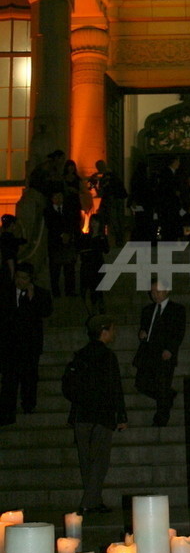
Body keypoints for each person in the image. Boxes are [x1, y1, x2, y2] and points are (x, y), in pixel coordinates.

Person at [63, 314, 127, 515]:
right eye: (111, 329)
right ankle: (88, 502)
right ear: (104, 331)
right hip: (102, 415)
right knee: (99, 461)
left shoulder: (80, 355)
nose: (114, 333)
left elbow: (68, 387)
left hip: (82, 415)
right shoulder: (108, 356)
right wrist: (121, 415)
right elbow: (116, 387)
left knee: (87, 461)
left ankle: (94, 500)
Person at [0, 262, 52, 424]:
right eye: (18, 277)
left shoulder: (40, 293)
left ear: (30, 279)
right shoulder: (5, 293)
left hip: (30, 345)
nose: (20, 281)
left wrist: (32, 298)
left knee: (29, 377)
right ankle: (7, 412)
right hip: (9, 344)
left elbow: (46, 312)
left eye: (24, 278)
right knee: (9, 379)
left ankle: (28, 405)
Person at [133, 279, 186, 427]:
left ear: (167, 290)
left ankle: (161, 419)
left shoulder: (177, 309)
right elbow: (145, 328)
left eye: (158, 291)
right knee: (142, 384)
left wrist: (170, 349)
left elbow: (179, 332)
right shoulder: (148, 310)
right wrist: (142, 333)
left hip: (165, 353)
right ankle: (168, 396)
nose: (155, 295)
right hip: (149, 353)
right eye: (152, 292)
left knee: (162, 384)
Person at [44, 188, 80, 297]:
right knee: (55, 270)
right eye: (56, 197)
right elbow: (50, 226)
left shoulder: (68, 209)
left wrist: (69, 234)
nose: (59, 199)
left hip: (68, 243)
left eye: (60, 196)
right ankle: (56, 291)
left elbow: (73, 223)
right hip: (55, 243)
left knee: (69, 268)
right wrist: (61, 234)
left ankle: (70, 290)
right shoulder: (48, 211)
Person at [89, 160, 128, 248]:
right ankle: (117, 241)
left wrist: (94, 185)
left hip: (111, 201)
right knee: (113, 221)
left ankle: (115, 240)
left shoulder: (107, 177)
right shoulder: (111, 175)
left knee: (113, 221)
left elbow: (101, 193)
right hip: (112, 201)